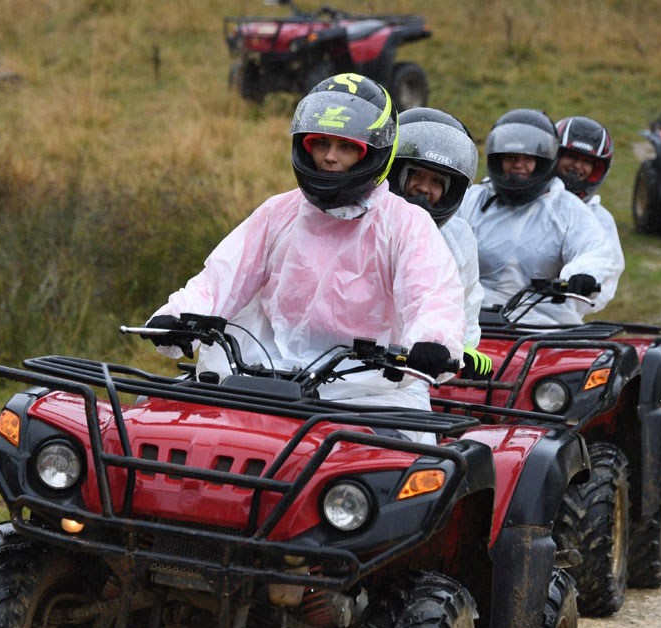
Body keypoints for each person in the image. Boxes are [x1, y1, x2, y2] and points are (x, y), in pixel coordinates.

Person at [145, 74, 468, 434]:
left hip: (370, 398)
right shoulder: (279, 211)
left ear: (373, 152)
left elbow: (432, 295)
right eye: (321, 144)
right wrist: (179, 316)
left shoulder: (407, 224)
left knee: (403, 474)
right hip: (262, 380)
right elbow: (222, 278)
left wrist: (432, 341)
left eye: (345, 147)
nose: (330, 158)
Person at [458, 109, 618, 327]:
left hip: (543, 327)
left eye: (528, 159)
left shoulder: (570, 209)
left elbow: (596, 252)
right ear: (497, 159)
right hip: (467, 323)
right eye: (511, 158)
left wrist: (582, 274)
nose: (518, 165)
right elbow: (438, 242)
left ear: (543, 161)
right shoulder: (472, 199)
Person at [386, 106, 491, 374]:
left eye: (436, 181)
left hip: (411, 376)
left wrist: (463, 347)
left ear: (449, 191)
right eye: (417, 174)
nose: (423, 187)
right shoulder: (366, 220)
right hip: (345, 363)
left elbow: (464, 299)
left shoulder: (458, 236)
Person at [554, 116, 624, 315]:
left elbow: (608, 270)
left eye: (587, 161)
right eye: (572, 157)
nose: (578, 166)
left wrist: (584, 279)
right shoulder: (526, 203)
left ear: (598, 169)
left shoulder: (600, 219)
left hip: (556, 318)